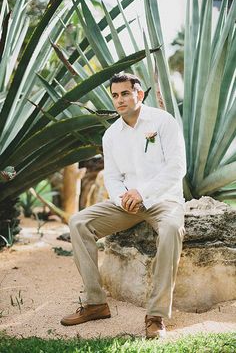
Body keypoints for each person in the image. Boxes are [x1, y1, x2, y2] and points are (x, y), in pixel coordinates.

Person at [61, 73, 186, 339]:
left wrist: (143, 193)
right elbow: (113, 177)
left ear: (139, 94)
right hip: (128, 204)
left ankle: (156, 316)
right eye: (115, 95)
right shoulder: (111, 135)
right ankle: (95, 303)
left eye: (125, 93)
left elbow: (177, 168)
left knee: (171, 230)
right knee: (79, 222)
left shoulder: (163, 122)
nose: (120, 99)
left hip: (164, 200)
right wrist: (122, 199)